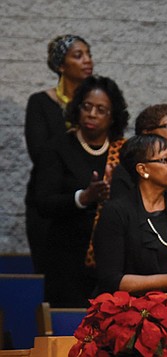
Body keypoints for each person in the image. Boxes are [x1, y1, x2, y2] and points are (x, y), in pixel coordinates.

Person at [35, 75, 128, 307]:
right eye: (87, 106)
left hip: (113, 260)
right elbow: (43, 202)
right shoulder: (57, 147)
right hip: (67, 258)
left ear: (113, 116)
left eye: (101, 109)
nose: (92, 114)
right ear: (77, 108)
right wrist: (83, 198)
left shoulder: (124, 151)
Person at [94, 134, 167, 295]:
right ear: (142, 169)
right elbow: (110, 279)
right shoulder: (117, 212)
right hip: (131, 308)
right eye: (165, 159)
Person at [25, 34, 93, 274]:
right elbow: (39, 152)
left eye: (88, 54)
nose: (87, 61)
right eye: (78, 55)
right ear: (61, 65)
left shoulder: (96, 105)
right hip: (49, 202)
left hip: (90, 204)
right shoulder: (41, 103)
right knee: (52, 275)